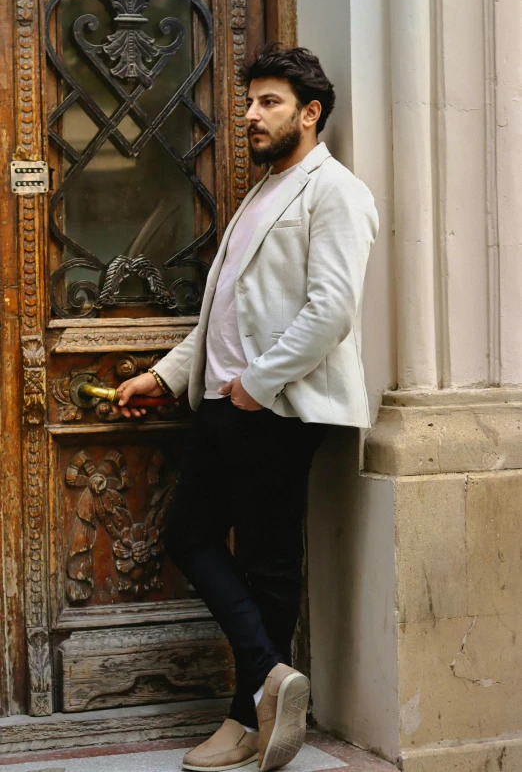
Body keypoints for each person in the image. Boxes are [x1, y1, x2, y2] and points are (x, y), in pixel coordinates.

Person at [114, 44, 379, 772]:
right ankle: (270, 677)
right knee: (189, 535)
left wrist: (257, 385)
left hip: (278, 405)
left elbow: (331, 309)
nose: (251, 116)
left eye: (269, 102)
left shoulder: (336, 191)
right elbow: (221, 313)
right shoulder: (262, 193)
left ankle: (247, 718)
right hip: (226, 398)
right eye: (249, 101)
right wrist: (164, 378)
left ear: (310, 112)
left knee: (265, 564)